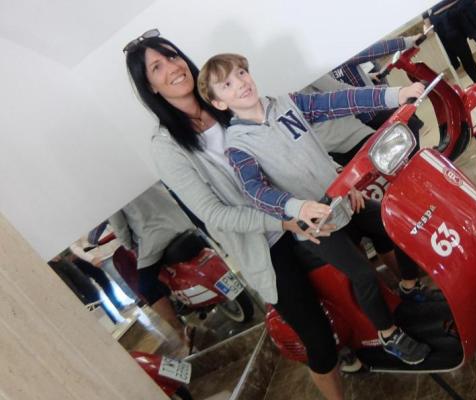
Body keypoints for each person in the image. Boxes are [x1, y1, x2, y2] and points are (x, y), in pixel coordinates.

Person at [124, 30, 344, 399]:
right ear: (151, 87)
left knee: (357, 274)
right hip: (267, 245)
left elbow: (286, 142)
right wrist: (282, 219)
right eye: (157, 67)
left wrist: (331, 176)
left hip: (303, 211)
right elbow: (214, 213)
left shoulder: (224, 99)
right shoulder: (166, 146)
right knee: (319, 340)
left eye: (172, 56)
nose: (172, 68)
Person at [197, 53, 445, 365]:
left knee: (397, 223)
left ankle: (409, 288)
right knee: (363, 276)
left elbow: (338, 102)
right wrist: (297, 208)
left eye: (241, 73)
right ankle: (388, 334)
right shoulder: (237, 145)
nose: (240, 83)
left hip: (343, 198)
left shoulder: (287, 103)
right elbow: (255, 191)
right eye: (227, 84)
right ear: (219, 103)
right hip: (314, 225)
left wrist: (395, 94)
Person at [108, 182, 197, 344]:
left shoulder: (108, 192)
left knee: (146, 287)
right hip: (182, 223)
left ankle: (180, 330)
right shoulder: (138, 170)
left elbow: (120, 228)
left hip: (156, 237)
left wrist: (129, 246)